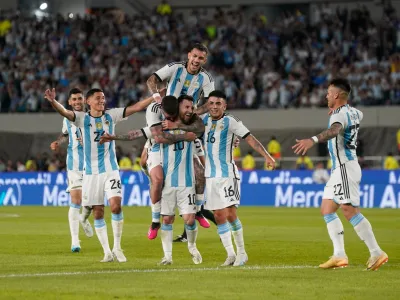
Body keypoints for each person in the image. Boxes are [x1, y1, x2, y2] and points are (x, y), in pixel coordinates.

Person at [44, 87, 155, 262]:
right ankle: (107, 252)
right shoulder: (81, 119)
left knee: (116, 206)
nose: (102, 100)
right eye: (98, 98)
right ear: (88, 102)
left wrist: (153, 97)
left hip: (111, 169)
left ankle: (117, 247)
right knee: (98, 212)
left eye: (103, 98)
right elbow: (65, 112)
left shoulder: (111, 115)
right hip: (90, 173)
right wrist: (52, 101)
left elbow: (135, 108)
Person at [292, 78, 388, 271]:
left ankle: (376, 252)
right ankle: (339, 255)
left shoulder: (341, 115)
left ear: (336, 95)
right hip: (340, 169)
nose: (326, 96)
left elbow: (335, 130)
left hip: (345, 167)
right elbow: (356, 114)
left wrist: (313, 139)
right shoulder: (354, 112)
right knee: (327, 208)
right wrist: (337, 112)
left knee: (349, 210)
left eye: (329, 93)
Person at [202, 90, 275, 266]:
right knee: (218, 215)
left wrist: (266, 156)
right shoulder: (203, 121)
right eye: (211, 103)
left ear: (224, 106)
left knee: (230, 213)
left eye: (218, 104)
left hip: (227, 174)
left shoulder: (230, 121)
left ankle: (242, 253)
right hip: (210, 176)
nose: (214, 107)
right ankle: (230, 254)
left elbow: (250, 139)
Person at [49, 88, 93, 252]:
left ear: (84, 100)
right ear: (69, 102)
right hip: (74, 164)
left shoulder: (92, 117)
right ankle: (75, 241)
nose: (77, 102)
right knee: (76, 200)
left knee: (92, 202)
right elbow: (65, 134)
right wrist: (58, 142)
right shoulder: (67, 118)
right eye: (74, 99)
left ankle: (83, 218)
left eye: (79, 99)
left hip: (93, 165)